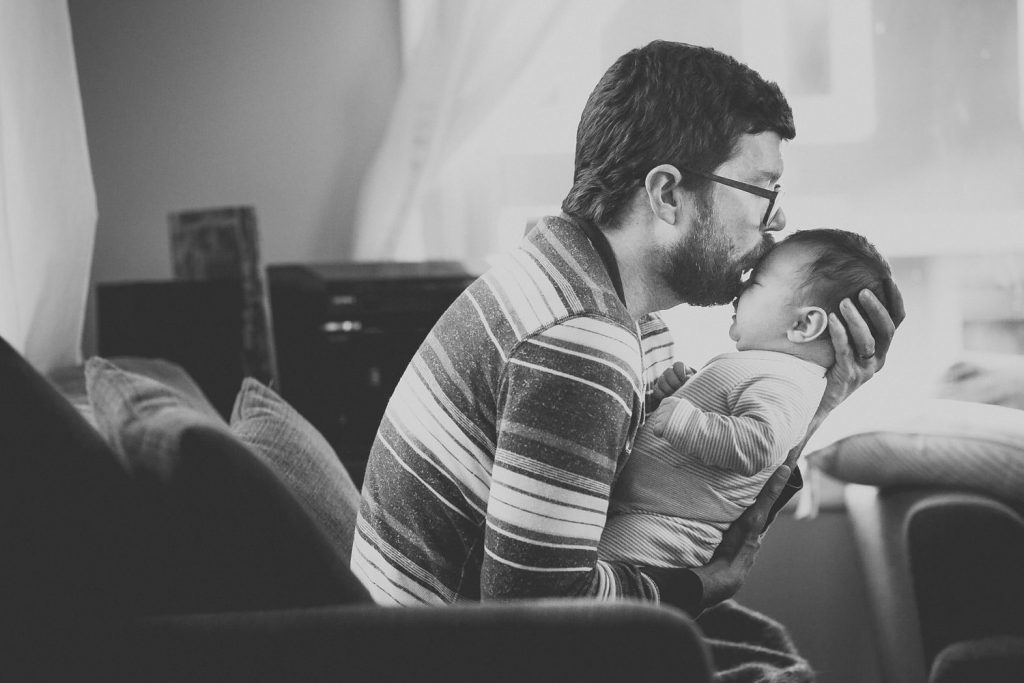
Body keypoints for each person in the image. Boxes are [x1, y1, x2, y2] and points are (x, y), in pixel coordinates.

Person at [351, 40, 903, 677]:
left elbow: (701, 485)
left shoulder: (582, 281)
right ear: (667, 194)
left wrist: (821, 389)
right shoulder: (580, 340)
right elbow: (542, 619)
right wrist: (700, 589)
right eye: (760, 190)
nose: (776, 223)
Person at [600, 229, 896, 569]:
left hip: (668, 526)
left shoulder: (787, 380)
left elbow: (760, 443)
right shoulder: (773, 370)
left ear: (803, 324)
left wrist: (686, 421)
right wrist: (677, 393)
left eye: (755, 284)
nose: (739, 292)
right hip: (651, 506)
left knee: (596, 580)